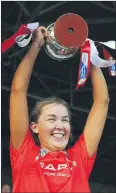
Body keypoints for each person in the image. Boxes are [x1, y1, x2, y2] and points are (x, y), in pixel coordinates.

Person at [9, 26, 109, 193]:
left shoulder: (80, 157)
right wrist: (36, 44)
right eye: (51, 119)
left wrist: (88, 55)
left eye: (65, 120)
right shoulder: (24, 152)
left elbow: (102, 102)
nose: (60, 126)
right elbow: (18, 92)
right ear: (34, 127)